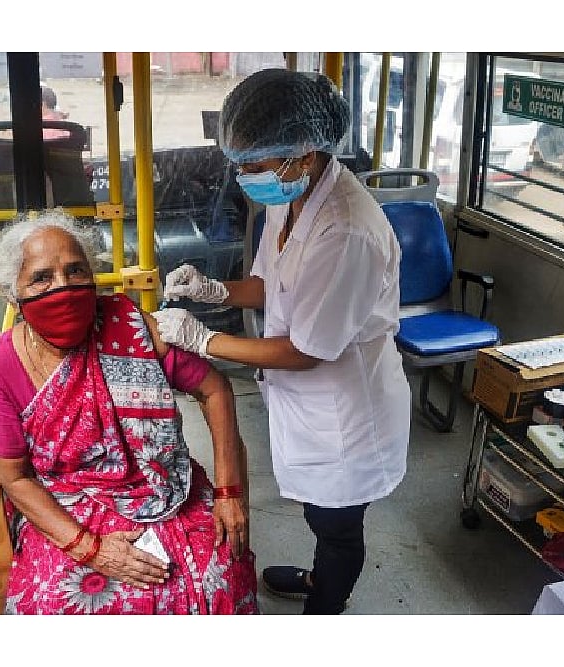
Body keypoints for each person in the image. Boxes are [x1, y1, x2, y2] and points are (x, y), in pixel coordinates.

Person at [151, 69, 411, 614]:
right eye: (241, 164)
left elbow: (304, 350)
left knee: (337, 524)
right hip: (307, 403)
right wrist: (214, 289)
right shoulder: (288, 195)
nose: (245, 176)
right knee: (317, 512)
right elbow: (272, 282)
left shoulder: (346, 230)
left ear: (306, 153)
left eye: (255, 164)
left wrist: (202, 339)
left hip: (346, 415)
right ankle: (319, 576)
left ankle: (326, 602)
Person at [0, 209, 258, 614]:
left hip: (162, 488)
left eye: (76, 270)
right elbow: (14, 477)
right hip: (65, 503)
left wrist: (229, 491)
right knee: (58, 604)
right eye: (42, 278)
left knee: (222, 573)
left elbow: (214, 389)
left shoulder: (128, 326)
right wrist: (91, 549)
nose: (63, 286)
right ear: (12, 294)